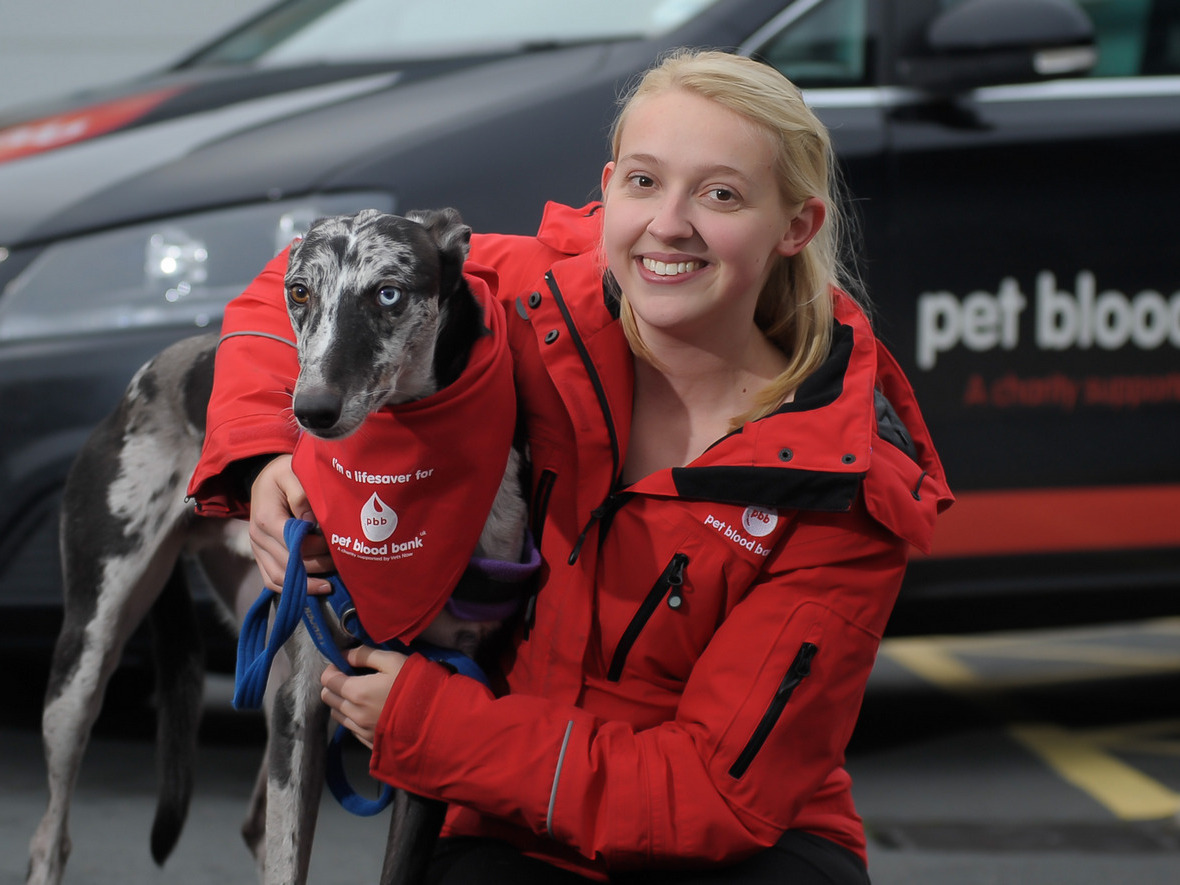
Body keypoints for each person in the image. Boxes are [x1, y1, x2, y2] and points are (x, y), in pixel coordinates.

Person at [188, 49, 952, 884]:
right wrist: (264, 451)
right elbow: (289, 283)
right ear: (609, 188)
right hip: (512, 823)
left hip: (739, 846)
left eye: (721, 194)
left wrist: (433, 724)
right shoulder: (537, 301)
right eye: (645, 182)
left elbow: (713, 797)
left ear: (795, 227)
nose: (670, 224)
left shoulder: (840, 479)